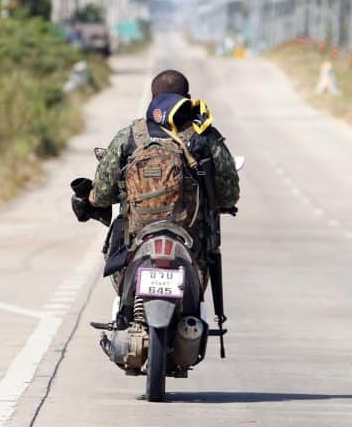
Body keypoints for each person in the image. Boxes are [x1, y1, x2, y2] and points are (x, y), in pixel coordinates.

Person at [85, 69, 240, 283]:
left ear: (153, 98)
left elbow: (102, 193)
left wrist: (92, 198)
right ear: (186, 100)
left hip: (136, 241)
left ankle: (127, 312)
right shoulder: (204, 136)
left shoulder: (129, 136)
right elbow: (229, 194)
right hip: (191, 244)